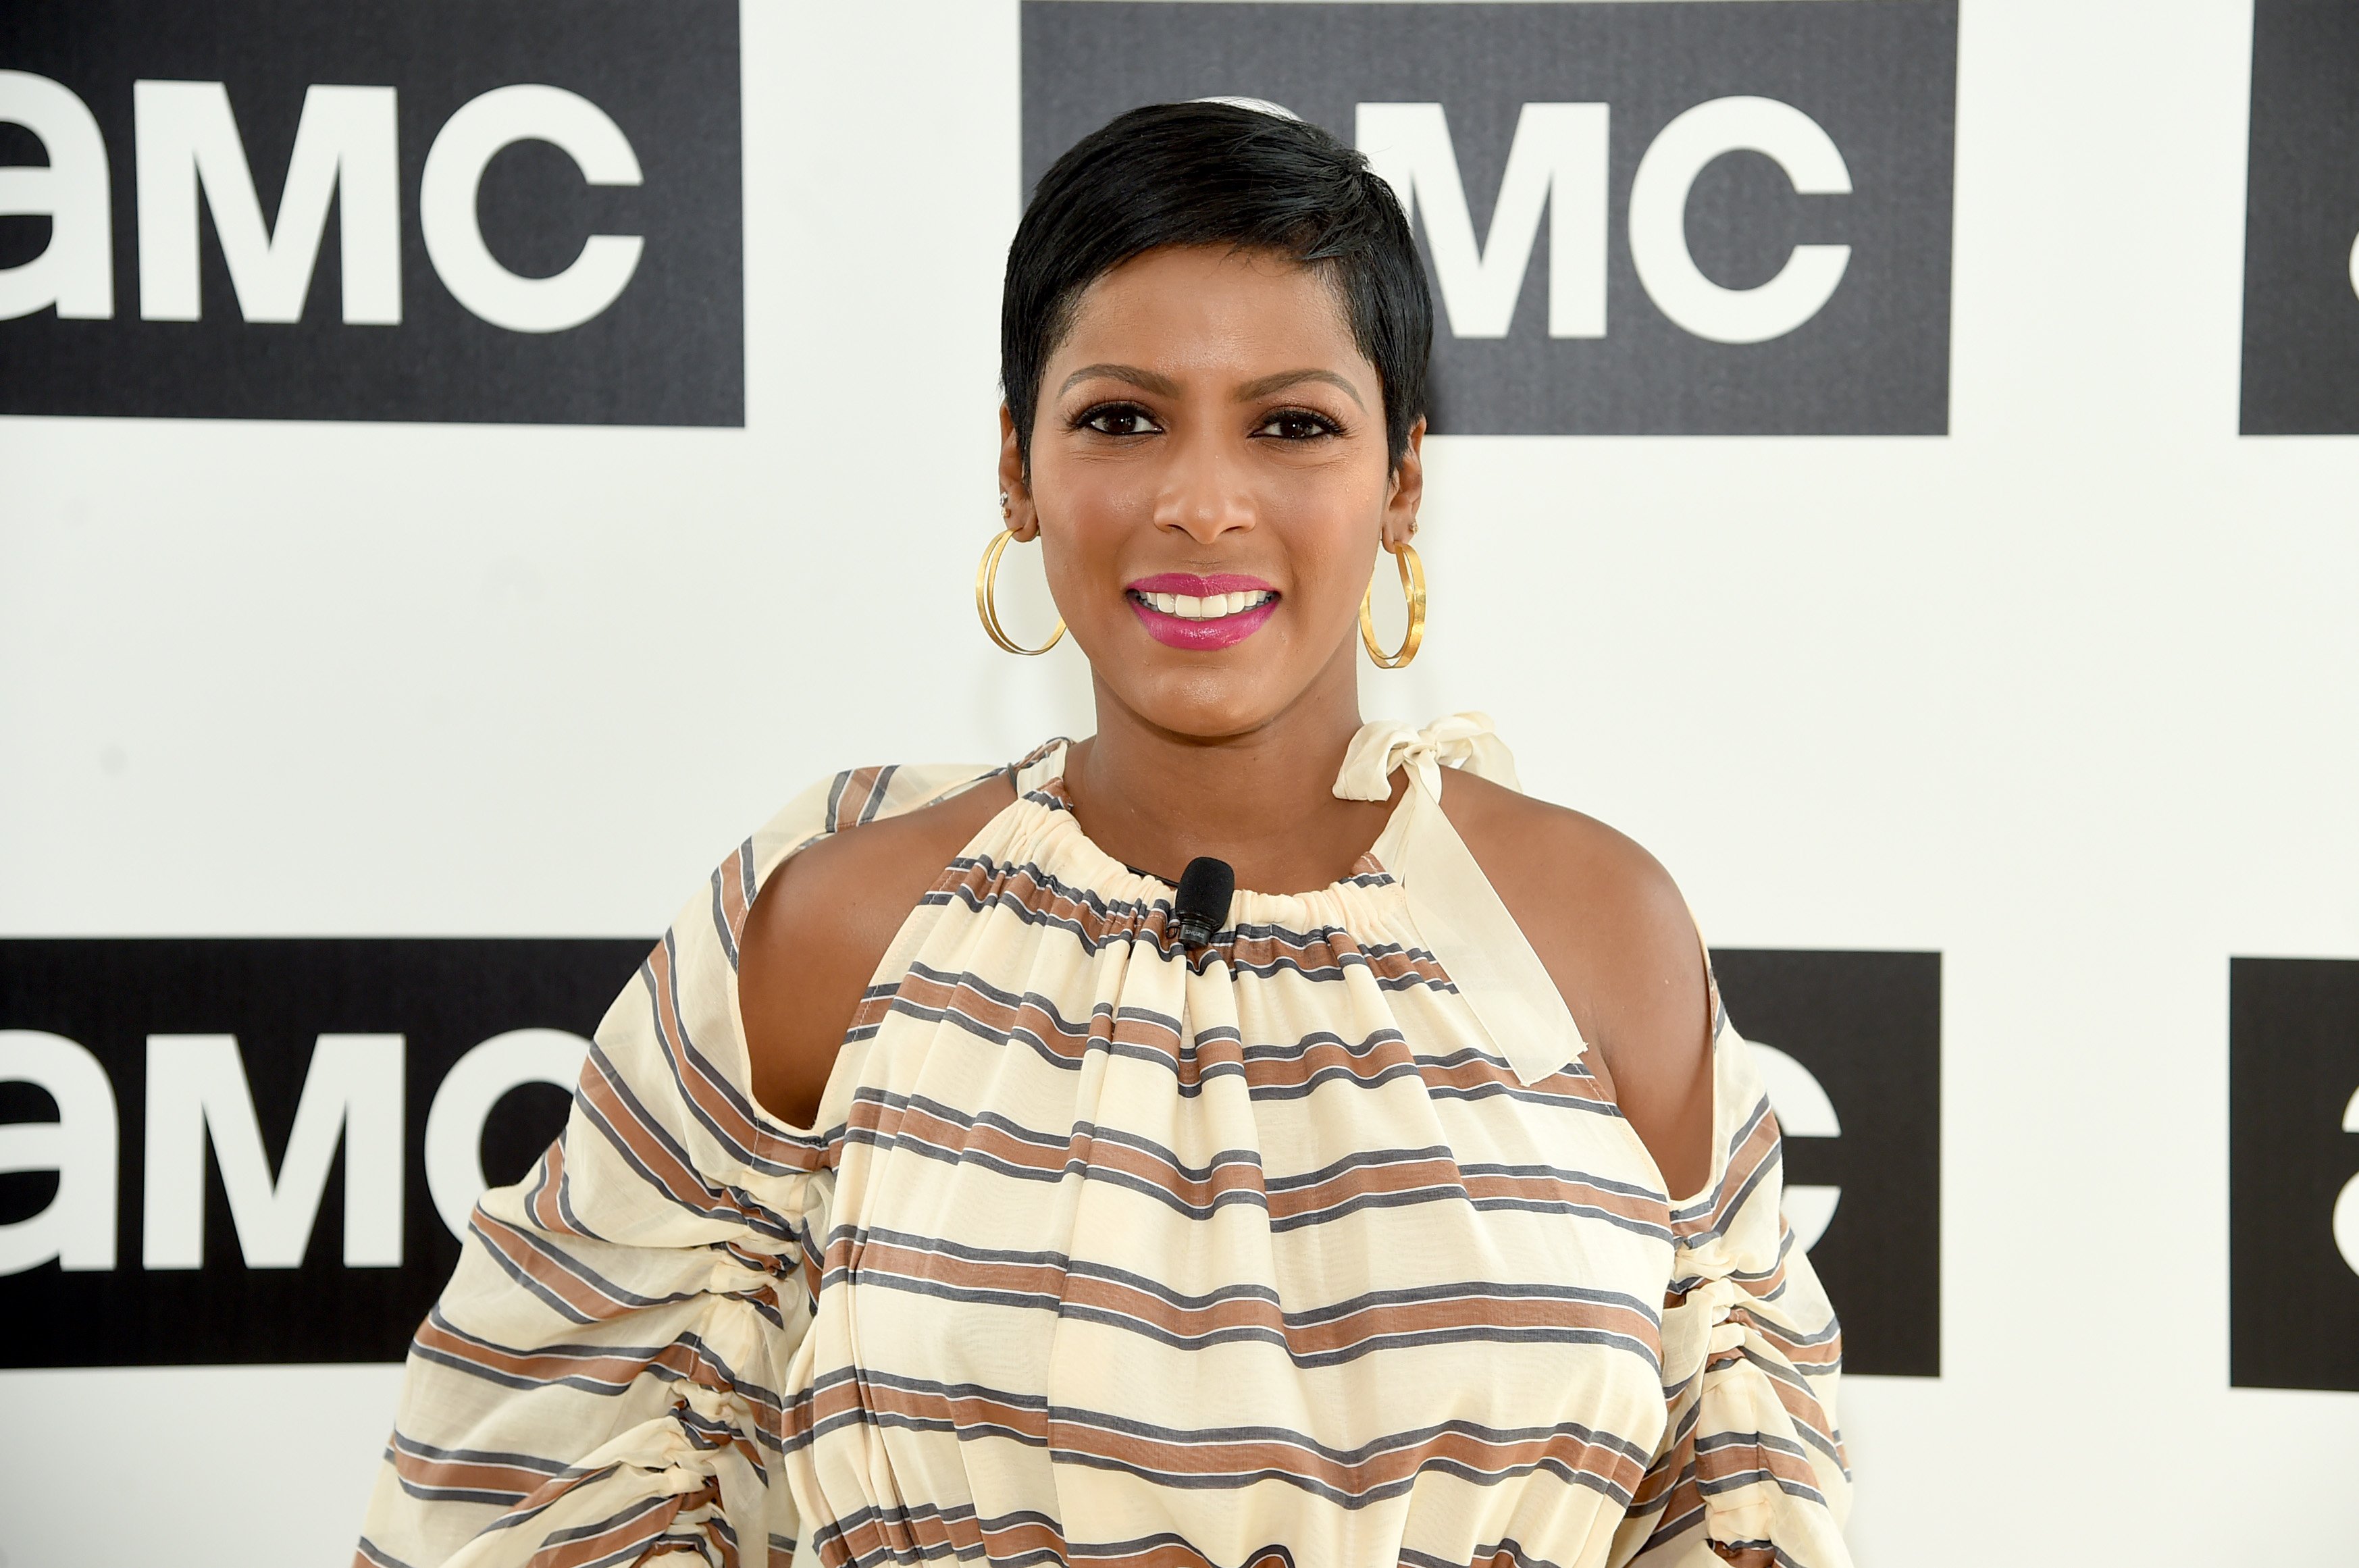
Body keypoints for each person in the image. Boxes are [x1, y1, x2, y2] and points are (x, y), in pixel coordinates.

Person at [356, 102, 1849, 1568]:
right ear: (1016, 463)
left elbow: (1735, 1504)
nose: (1202, 503)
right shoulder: (838, 926)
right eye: (1122, 418)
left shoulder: (1595, 931)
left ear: (1402, 482)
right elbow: (538, 1479)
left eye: (1293, 425)